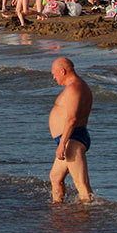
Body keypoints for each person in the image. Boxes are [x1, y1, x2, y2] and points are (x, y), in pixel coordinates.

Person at [49, 57, 93, 203]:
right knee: (55, 177)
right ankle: (58, 208)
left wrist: (62, 144)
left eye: (54, 73)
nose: (54, 77)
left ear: (63, 71)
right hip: (69, 138)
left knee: (81, 184)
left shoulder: (75, 88)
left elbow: (72, 119)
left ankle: (89, 213)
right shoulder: (77, 86)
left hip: (72, 139)